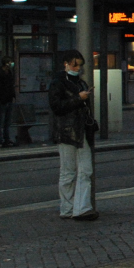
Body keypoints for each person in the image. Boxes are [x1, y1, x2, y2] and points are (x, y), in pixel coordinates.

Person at [49, 50, 98, 221]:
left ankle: (79, 208)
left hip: (79, 130)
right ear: (66, 64)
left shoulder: (80, 83)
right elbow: (56, 106)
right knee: (69, 172)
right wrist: (79, 98)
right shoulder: (58, 83)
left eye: (79, 65)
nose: (77, 68)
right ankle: (70, 208)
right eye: (74, 64)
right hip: (67, 131)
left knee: (84, 170)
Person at [0, 57, 17, 147]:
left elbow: (10, 86)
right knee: (0, 121)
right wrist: (0, 98)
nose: (11, 64)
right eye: (10, 63)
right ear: (6, 64)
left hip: (8, 99)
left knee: (7, 122)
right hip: (1, 101)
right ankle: (0, 140)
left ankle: (6, 139)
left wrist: (12, 96)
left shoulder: (8, 73)